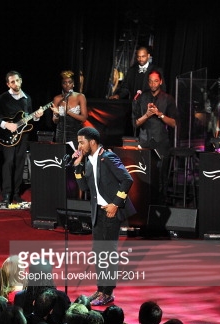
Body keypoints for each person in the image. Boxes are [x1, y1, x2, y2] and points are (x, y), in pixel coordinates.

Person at [72, 127, 135, 306]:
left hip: (110, 210)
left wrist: (116, 204)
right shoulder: (88, 160)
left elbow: (127, 179)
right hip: (97, 212)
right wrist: (77, 167)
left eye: (81, 142)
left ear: (92, 142)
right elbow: (84, 187)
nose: (79, 145)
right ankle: (100, 289)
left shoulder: (107, 157)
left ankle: (107, 293)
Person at [0, 70, 45, 205]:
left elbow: (28, 119)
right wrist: (6, 125)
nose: (16, 83)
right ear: (8, 84)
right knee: (8, 162)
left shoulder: (27, 98)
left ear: (21, 80)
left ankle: (16, 193)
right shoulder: (3, 98)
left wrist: (36, 117)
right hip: (7, 135)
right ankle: (6, 194)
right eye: (12, 81)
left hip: (23, 135)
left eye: (17, 80)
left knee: (20, 162)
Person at [133, 69, 178, 198]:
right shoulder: (142, 98)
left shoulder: (168, 99)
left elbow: (174, 123)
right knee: (143, 175)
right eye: (151, 81)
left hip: (161, 142)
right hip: (145, 141)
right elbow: (135, 123)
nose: (153, 84)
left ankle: (161, 203)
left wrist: (159, 114)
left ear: (161, 82)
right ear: (148, 83)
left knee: (161, 177)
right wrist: (146, 115)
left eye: (156, 81)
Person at [51, 70, 88, 148]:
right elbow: (55, 121)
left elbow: (84, 118)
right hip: (61, 133)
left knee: (74, 156)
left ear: (73, 84)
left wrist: (68, 112)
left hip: (75, 133)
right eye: (64, 83)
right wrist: (57, 115)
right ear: (61, 84)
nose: (67, 85)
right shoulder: (57, 98)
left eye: (69, 82)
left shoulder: (80, 97)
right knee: (60, 156)